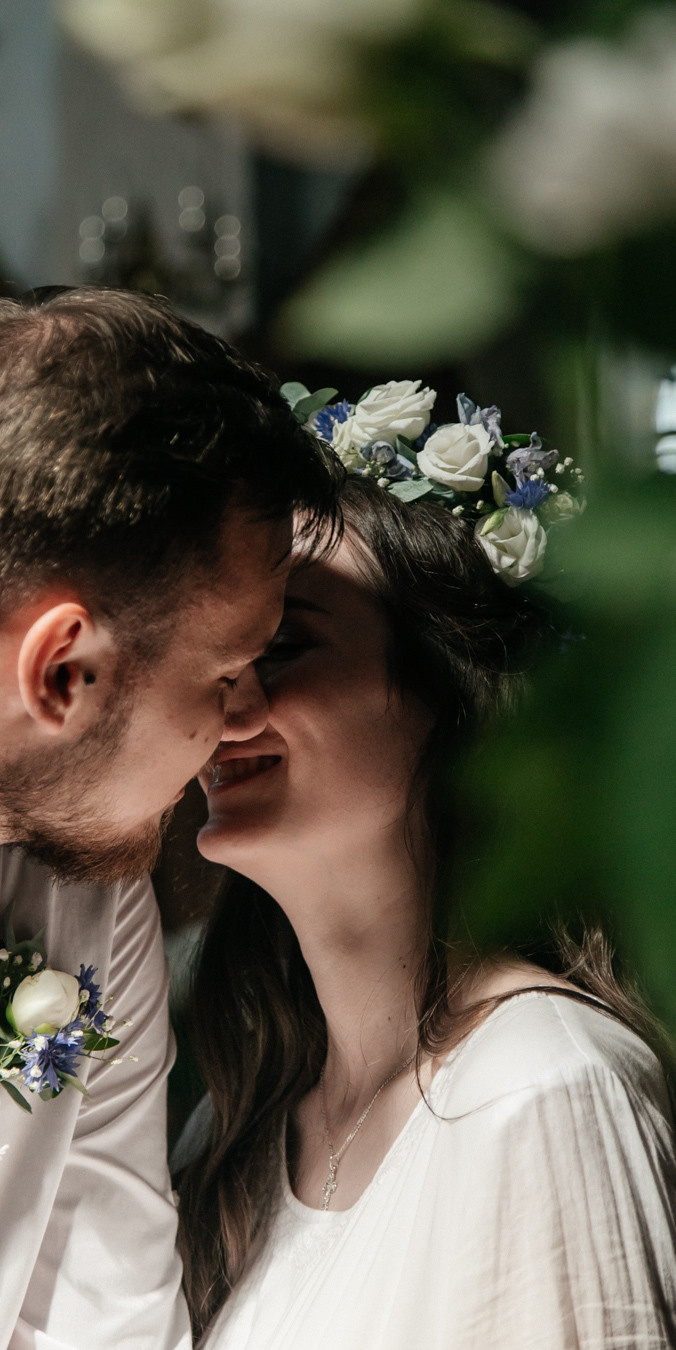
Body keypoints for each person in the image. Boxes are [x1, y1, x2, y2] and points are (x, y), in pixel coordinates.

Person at [0, 287, 339, 1350]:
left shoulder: (84, 895)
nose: (248, 720)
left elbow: (110, 1318)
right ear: (64, 672)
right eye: (225, 674)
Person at [177, 459, 676, 1348]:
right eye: (214, 658)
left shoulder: (542, 1082)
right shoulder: (235, 1126)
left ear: (453, 697)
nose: (226, 703)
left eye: (283, 647)